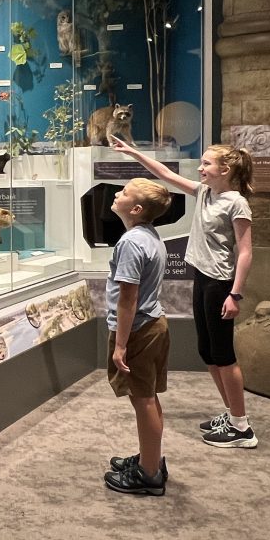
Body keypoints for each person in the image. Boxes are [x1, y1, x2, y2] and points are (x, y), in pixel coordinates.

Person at [110, 137, 257, 449]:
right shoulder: (205, 192)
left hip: (220, 283)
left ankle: (242, 428)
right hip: (202, 278)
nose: (200, 168)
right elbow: (165, 174)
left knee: (224, 354)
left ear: (225, 169)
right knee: (208, 351)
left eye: (206, 163)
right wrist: (135, 153)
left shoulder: (237, 203)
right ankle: (232, 415)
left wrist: (236, 294)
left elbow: (245, 252)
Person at [102, 177, 173, 496]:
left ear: (137, 208)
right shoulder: (147, 236)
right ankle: (151, 458)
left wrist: (120, 344)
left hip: (138, 330)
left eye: (124, 192)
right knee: (146, 396)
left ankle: (149, 474)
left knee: (142, 399)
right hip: (152, 324)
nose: (117, 194)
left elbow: (127, 298)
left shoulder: (130, 243)